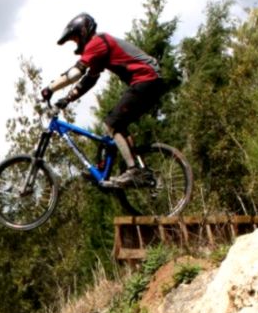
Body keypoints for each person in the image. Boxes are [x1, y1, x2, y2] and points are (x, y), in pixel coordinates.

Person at [41, 12, 167, 189]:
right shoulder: (99, 47)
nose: (77, 44)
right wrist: (67, 99)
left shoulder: (97, 42)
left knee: (112, 123)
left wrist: (50, 88)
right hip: (149, 81)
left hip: (146, 79)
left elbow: (76, 73)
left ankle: (134, 170)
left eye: (76, 39)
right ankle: (131, 168)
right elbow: (89, 80)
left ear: (83, 32)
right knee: (114, 124)